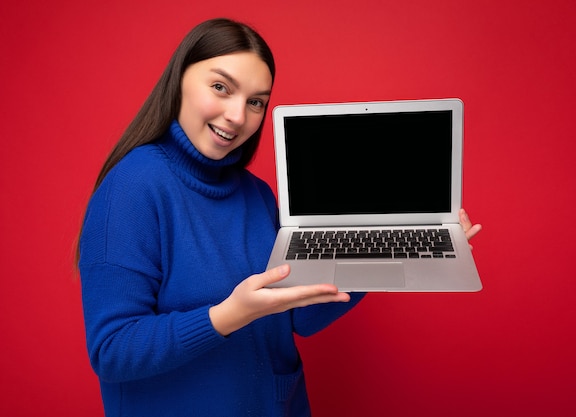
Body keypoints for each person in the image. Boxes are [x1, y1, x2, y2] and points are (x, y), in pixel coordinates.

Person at [77, 18, 482, 417]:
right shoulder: (132, 187)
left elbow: (300, 317)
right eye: (220, 87)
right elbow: (112, 350)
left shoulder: (257, 195)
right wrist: (231, 314)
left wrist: (393, 254)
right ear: (179, 79)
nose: (238, 116)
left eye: (256, 102)